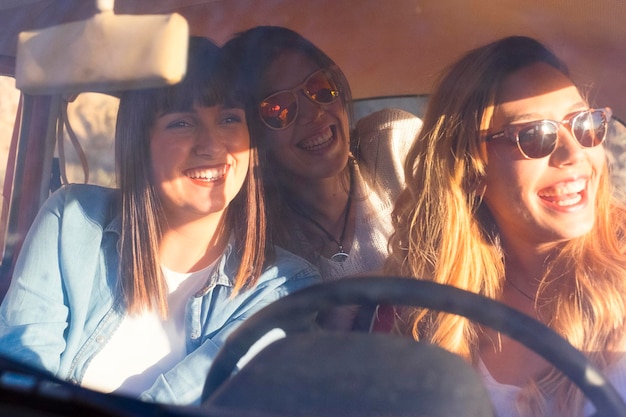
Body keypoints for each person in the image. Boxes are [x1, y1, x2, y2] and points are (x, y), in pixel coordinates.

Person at [0, 36, 320, 405]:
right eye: (182, 123)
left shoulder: (283, 286)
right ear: (139, 142)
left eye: (230, 119)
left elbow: (189, 400)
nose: (212, 145)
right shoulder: (71, 220)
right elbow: (23, 368)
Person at [384, 35, 626, 416]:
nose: (575, 153)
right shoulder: (435, 305)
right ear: (470, 171)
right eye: (535, 135)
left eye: (585, 124)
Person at [221, 26, 421, 328]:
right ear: (253, 135)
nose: (313, 113)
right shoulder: (258, 246)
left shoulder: (394, 145)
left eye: (320, 87)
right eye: (278, 109)